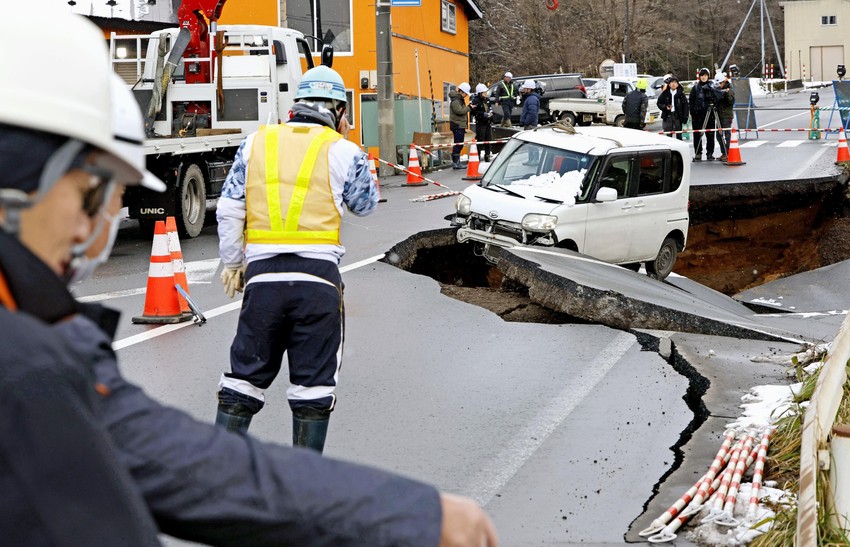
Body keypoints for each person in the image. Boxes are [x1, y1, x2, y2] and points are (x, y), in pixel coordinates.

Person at [1, 9, 499, 547]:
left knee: (242, 379)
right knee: (313, 387)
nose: (92, 228)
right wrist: (406, 514)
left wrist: (234, 262)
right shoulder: (34, 360)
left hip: (261, 277)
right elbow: (362, 204)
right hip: (317, 279)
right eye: (91, 194)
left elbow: (168, 457)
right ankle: (310, 457)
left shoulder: (256, 143)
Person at [689, 67, 719, 161]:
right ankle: (698, 153)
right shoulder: (695, 88)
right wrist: (693, 112)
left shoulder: (712, 86)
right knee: (697, 135)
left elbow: (716, 99)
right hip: (697, 115)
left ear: (708, 76)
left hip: (710, 114)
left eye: (705, 75)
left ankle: (710, 153)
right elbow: (691, 101)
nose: (703, 77)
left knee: (710, 135)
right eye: (702, 75)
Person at [449, 82, 472, 169]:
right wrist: (469, 107)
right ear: (461, 91)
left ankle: (456, 162)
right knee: (458, 144)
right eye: (465, 94)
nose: (466, 96)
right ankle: (456, 162)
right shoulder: (456, 101)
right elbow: (459, 111)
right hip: (457, 125)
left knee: (459, 143)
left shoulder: (458, 100)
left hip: (459, 125)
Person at [470, 83, 494, 162]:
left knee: (488, 139)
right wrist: (482, 114)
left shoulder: (487, 100)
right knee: (480, 139)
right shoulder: (476, 101)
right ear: (480, 93)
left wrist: (491, 114)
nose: (486, 93)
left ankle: (487, 155)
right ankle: (478, 155)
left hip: (488, 122)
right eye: (484, 92)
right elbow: (473, 112)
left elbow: (490, 107)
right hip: (480, 123)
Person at [714, 71, 735, 161]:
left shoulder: (729, 90)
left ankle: (728, 153)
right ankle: (724, 152)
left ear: (724, 82)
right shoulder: (717, 89)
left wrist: (725, 94)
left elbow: (731, 102)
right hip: (719, 115)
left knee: (727, 135)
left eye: (720, 83)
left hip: (726, 115)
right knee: (718, 136)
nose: (719, 85)